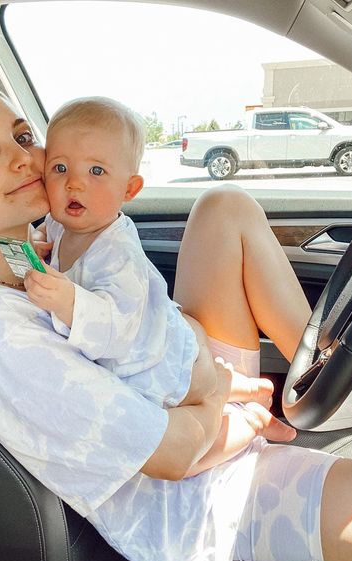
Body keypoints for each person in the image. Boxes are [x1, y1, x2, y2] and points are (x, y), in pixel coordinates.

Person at [0, 82, 352, 561]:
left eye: (24, 136)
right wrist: (218, 393)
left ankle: (330, 378)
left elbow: (140, 323)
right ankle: (317, 396)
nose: (23, 159)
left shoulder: (31, 252)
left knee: (224, 206)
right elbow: (172, 455)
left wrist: (195, 351)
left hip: (172, 383)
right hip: (200, 494)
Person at [24, 95, 295, 472]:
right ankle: (249, 394)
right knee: (216, 385)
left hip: (161, 365)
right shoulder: (59, 226)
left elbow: (117, 327)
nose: (74, 183)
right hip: (151, 358)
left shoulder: (118, 253)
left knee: (209, 421)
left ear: (130, 189)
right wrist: (36, 244)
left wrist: (70, 301)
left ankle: (252, 422)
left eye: (96, 171)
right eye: (59, 167)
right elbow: (47, 241)